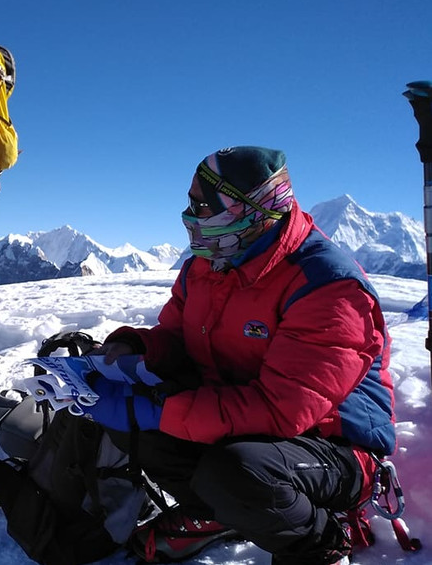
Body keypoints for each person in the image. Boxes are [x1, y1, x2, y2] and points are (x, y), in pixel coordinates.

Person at [83, 146, 396, 564]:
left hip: (335, 447)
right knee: (142, 430)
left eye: (202, 204)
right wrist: (136, 349)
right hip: (250, 419)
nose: (189, 214)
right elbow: (177, 336)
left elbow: (282, 409)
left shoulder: (326, 285)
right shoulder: (209, 263)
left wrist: (157, 411)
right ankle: (219, 514)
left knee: (235, 472)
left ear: (249, 209)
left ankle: (319, 544)